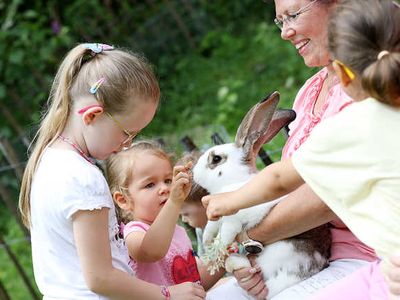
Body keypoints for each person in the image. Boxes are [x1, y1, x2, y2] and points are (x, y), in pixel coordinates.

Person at [203, 0, 400, 299]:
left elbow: (291, 183)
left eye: (293, 15)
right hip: (312, 249)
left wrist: (232, 208)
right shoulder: (311, 91)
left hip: (369, 254)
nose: (284, 32)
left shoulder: (354, 117)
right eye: (279, 21)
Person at [18, 43, 205, 299]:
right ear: (92, 116)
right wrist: (168, 294)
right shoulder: (82, 178)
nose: (126, 144)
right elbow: (100, 278)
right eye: (126, 133)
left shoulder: (50, 162)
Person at [105, 140, 225, 290]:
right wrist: (174, 202)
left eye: (168, 180)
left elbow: (196, 284)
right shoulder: (134, 232)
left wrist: (223, 256)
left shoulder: (178, 232)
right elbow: (152, 252)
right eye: (150, 184)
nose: (164, 188)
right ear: (124, 200)